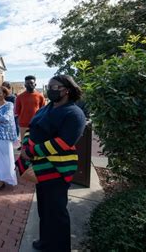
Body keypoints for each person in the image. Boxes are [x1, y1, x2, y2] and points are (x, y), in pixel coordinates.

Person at [20, 75, 86, 252]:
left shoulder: (74, 113)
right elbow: (31, 128)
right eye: (49, 86)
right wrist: (25, 144)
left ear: (67, 90)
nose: (50, 90)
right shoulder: (47, 107)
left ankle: (60, 247)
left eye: (54, 87)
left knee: (57, 212)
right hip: (40, 169)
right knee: (44, 209)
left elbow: (63, 142)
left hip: (57, 170)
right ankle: (46, 242)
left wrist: (32, 151)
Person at [15, 75, 46, 142]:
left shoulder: (40, 96)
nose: (29, 85)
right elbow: (17, 111)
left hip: (36, 123)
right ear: (25, 85)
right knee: (24, 143)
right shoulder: (20, 97)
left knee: (35, 142)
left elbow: (43, 110)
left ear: (35, 84)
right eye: (27, 83)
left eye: (31, 83)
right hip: (23, 124)